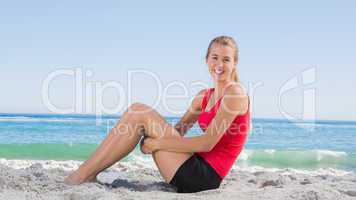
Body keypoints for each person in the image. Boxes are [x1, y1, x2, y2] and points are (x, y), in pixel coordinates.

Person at [64, 35, 250, 193]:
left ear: (235, 63)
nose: (219, 64)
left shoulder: (235, 93)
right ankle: (86, 173)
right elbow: (179, 130)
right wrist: (150, 133)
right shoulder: (203, 97)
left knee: (139, 112)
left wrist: (156, 143)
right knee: (136, 112)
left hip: (203, 178)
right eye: (215, 57)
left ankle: (81, 175)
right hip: (190, 166)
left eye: (226, 59)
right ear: (207, 60)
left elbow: (207, 143)